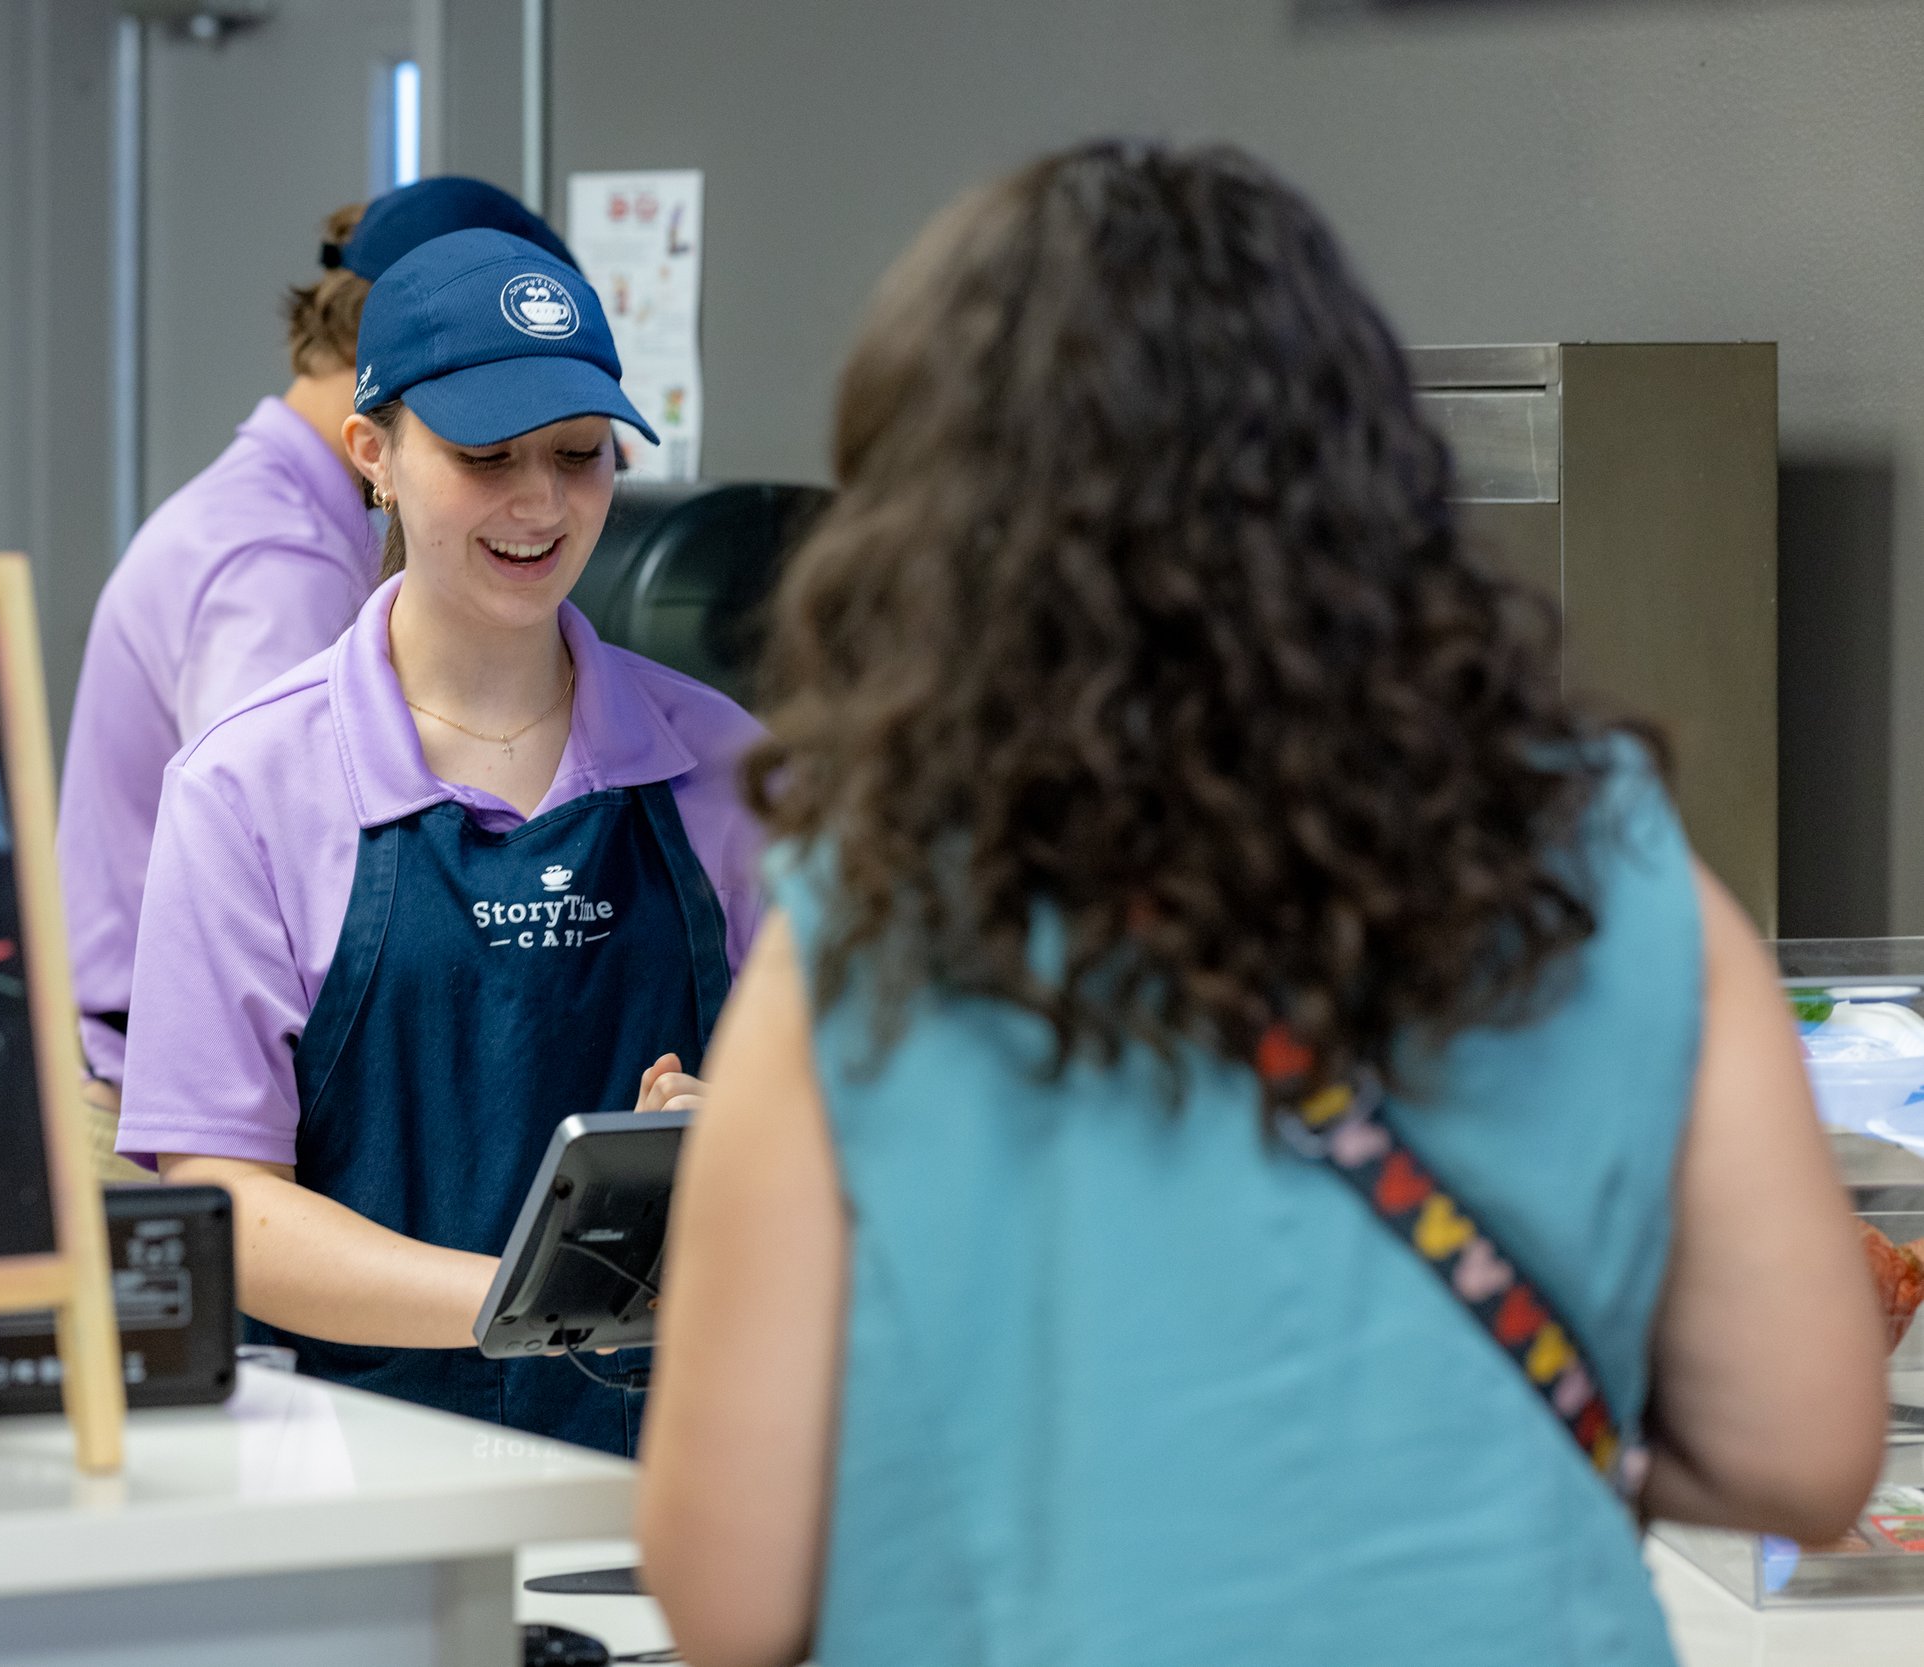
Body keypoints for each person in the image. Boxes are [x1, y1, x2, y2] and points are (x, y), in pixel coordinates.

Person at [635, 143, 1885, 1667]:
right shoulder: (1609, 862)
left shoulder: (867, 927)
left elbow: (732, 1591)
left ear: (928, 534)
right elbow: (1805, 1447)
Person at [118, 229, 765, 1456]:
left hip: (673, 1475)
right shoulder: (245, 789)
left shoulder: (735, 771)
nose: (540, 503)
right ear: (373, 453)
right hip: (363, 1479)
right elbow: (224, 1200)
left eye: (578, 454)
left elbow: (859, 1130)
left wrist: (739, 1134)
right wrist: (533, 1298)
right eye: (484, 456)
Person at [59, 178, 575, 1177]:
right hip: (157, 1129)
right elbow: (308, 860)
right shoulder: (276, 561)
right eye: (490, 435)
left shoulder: (290, 515)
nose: (537, 488)